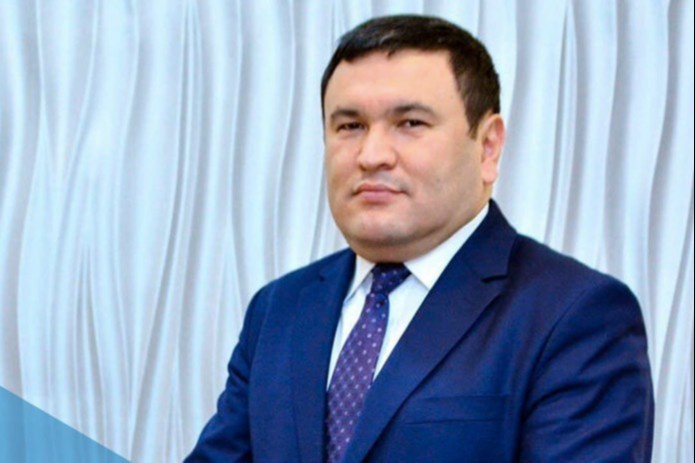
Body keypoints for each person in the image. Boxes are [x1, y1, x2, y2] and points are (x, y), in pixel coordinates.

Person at [185, 14, 654, 463]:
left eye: (410, 123)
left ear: (488, 147)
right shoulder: (279, 309)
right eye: (350, 126)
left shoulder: (575, 316)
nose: (372, 155)